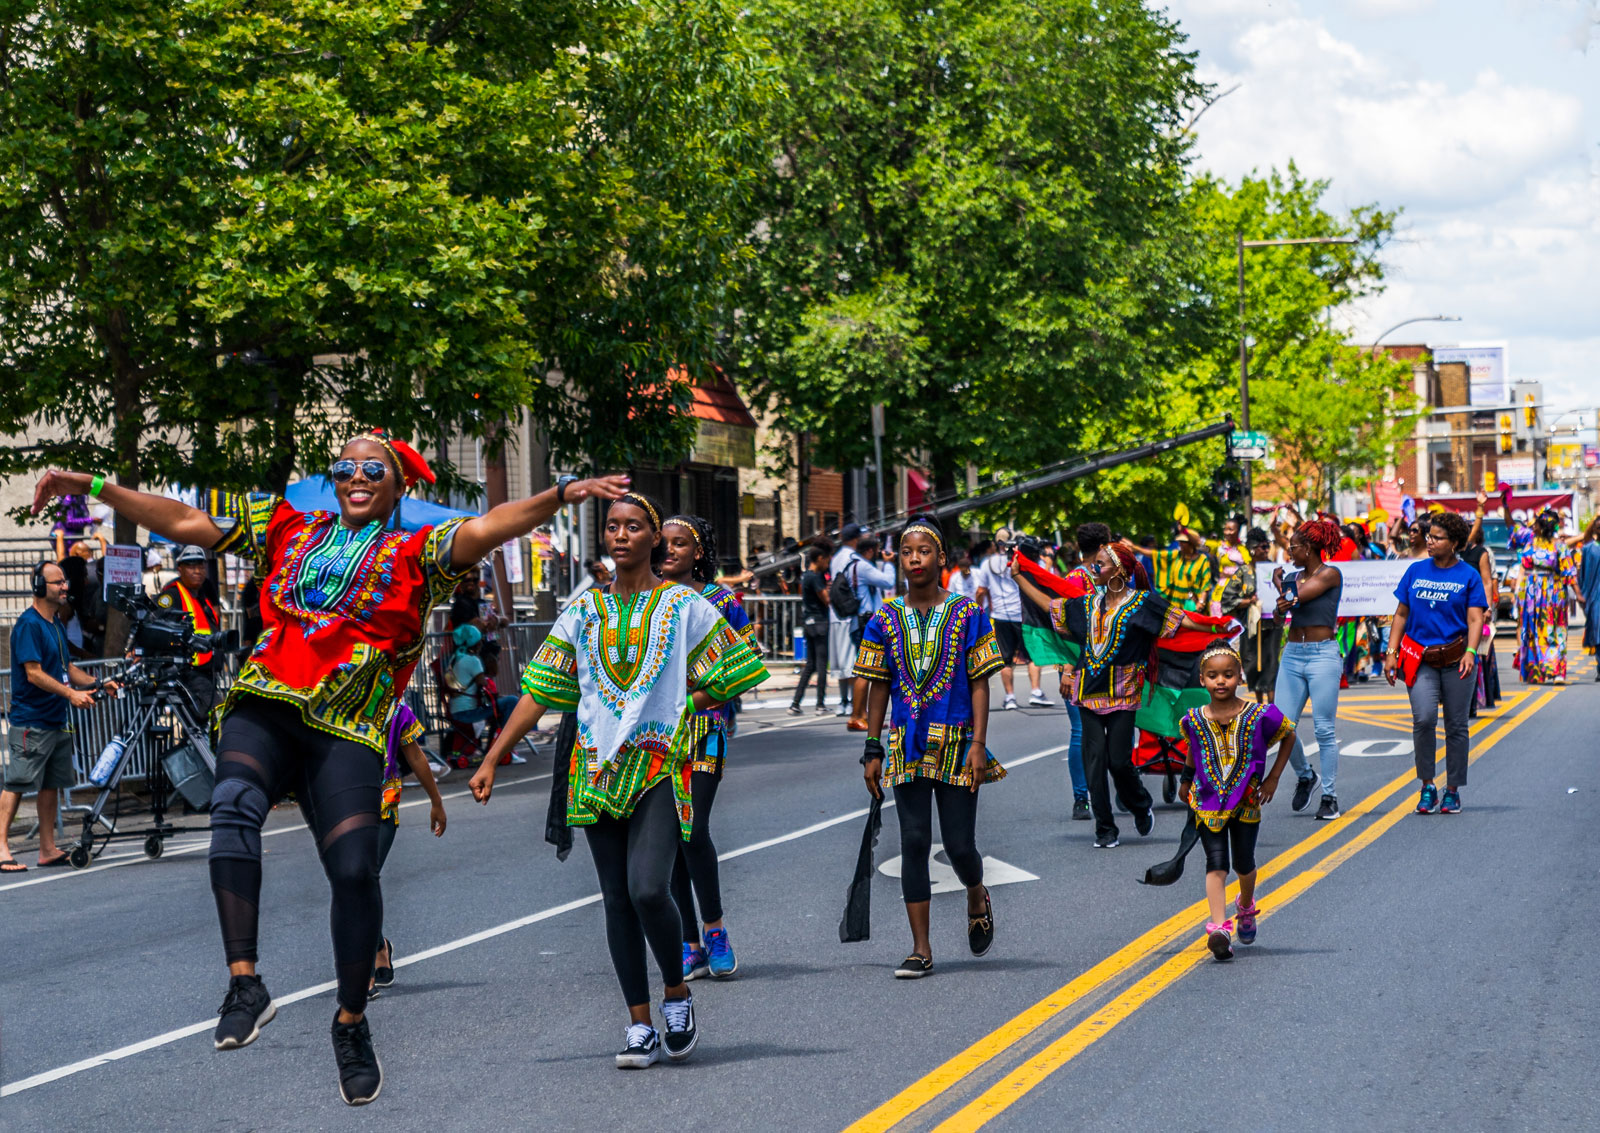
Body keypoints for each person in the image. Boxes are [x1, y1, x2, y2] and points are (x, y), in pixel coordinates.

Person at [32, 443, 625, 1105]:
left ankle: (350, 1022)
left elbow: (488, 526)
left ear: (397, 485)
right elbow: (184, 520)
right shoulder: (290, 527)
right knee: (230, 803)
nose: (356, 477)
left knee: (353, 871)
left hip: (348, 724)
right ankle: (245, 982)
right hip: (267, 697)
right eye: (344, 467)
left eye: (374, 468)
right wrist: (92, 481)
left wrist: (555, 497)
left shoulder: (416, 553)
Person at [470, 493, 767, 1068]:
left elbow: (735, 672)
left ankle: (677, 993)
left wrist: (679, 703)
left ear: (655, 539)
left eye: (635, 527)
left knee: (649, 889)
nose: (622, 535)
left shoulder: (685, 606)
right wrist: (492, 756)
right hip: (595, 766)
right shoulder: (582, 613)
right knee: (615, 900)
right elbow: (539, 693)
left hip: (657, 765)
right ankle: (638, 1024)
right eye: (613, 527)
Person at [857, 517, 1005, 978]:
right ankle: (921, 948)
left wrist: (980, 743)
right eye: (906, 552)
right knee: (915, 841)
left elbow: (980, 683)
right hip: (905, 745)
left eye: (924, 551)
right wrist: (872, 747)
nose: (915, 559)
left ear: (941, 558)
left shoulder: (968, 613)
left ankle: (976, 892)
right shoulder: (883, 617)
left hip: (959, 743)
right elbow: (878, 686)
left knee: (960, 847)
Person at [1014, 543, 1213, 849]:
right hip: (1087, 693)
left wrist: (1220, 627)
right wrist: (1019, 577)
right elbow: (1050, 606)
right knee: (1094, 762)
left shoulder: (1143, 604)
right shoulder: (1086, 605)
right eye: (1094, 564)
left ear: (1119, 570)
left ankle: (1139, 803)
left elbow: (1184, 621)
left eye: (1101, 565)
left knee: (1119, 761)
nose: (1094, 569)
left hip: (1123, 693)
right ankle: (1105, 828)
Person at [659, 514, 750, 981]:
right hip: (653, 738)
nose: (671, 550)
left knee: (692, 829)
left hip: (703, 730)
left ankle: (715, 930)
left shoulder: (721, 600)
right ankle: (687, 943)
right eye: (665, 543)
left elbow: (742, 666)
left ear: (698, 552)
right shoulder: (642, 597)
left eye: (681, 544)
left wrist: (690, 696)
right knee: (669, 839)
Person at [1177, 644, 1296, 962]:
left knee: (1244, 863)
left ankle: (1245, 905)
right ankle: (1219, 928)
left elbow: (1289, 735)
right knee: (1216, 863)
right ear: (1202, 679)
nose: (1220, 681)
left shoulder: (1259, 715)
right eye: (1213, 675)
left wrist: (1273, 778)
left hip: (1247, 800)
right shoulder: (1194, 719)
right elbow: (1194, 747)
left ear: (1239, 677)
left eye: (1228, 675)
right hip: (1207, 802)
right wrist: (1186, 779)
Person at [1, 562, 120, 872]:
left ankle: (47, 849)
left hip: (55, 720)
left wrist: (96, 683)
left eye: (65, 582)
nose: (65, 587)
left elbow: (67, 669)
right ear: (40, 587)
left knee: (50, 785)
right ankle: (1, 848)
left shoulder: (54, 624)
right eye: (58, 583)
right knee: (17, 782)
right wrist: (70, 695)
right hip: (31, 721)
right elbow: (34, 674)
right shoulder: (29, 625)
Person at [1386, 510, 1488, 815]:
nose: (1429, 541)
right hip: (1420, 659)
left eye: (1437, 537)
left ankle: (1453, 790)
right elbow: (1401, 614)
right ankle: (1428, 785)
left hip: (1457, 658)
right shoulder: (1415, 571)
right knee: (1424, 719)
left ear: (1454, 542)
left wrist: (1471, 652)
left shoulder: (1468, 575)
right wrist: (1391, 653)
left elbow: (1475, 618)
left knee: (1457, 726)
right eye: (1428, 536)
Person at [369, 701, 446, 998]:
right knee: (349, 879)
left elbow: (414, 754)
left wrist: (436, 802)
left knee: (365, 874)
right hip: (341, 804)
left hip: (382, 804)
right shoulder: (333, 694)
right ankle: (378, 946)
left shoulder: (392, 706)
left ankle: (363, 968)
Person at [1271, 518, 1345, 821]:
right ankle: (1305, 775)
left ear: (1310, 548)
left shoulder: (1330, 574)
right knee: (1279, 725)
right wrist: (1279, 607)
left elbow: (1294, 598)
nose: (1290, 552)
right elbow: (1280, 616)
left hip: (1322, 655)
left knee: (1324, 729)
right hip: (1293, 653)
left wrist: (1280, 587)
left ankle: (1330, 796)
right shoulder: (1292, 575)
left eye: (1294, 547)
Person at [1059, 523, 1111, 821]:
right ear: (1104, 544)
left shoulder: (1107, 576)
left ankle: (1088, 795)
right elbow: (1068, 626)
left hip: (1101, 663)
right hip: (1082, 664)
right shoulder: (1079, 580)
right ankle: (1083, 796)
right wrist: (1068, 669)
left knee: (1097, 731)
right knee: (1082, 730)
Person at [1504, 495, 1579, 684]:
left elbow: (1569, 573)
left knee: (1554, 631)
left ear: (1543, 526)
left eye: (1536, 523)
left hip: (1553, 593)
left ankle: (1557, 671)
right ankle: (1536, 672)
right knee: (1531, 631)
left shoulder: (1559, 547)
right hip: (1530, 594)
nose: (1532, 525)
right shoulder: (1529, 539)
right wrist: (1505, 505)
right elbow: (1512, 526)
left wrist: (1578, 594)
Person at [975, 529, 1047, 709]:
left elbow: (981, 591)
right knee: (1032, 655)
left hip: (999, 616)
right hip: (1023, 614)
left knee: (1006, 660)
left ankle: (1010, 697)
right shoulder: (1020, 560)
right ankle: (1036, 691)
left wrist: (979, 611)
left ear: (995, 543)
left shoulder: (987, 564)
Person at [155, 545, 223, 716]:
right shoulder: (171, 596)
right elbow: (158, 626)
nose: (197, 571)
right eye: (191, 566)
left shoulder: (203, 593)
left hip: (207, 671)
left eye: (201, 566)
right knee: (215, 715)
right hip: (189, 672)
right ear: (180, 569)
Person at [843, 535, 898, 730]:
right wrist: (889, 563)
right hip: (866, 622)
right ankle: (855, 716)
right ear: (869, 551)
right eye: (876, 551)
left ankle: (863, 715)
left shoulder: (853, 566)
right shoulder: (864, 567)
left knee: (867, 669)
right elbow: (888, 582)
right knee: (865, 671)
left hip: (859, 621)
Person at [828, 523, 867, 716]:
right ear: (855, 539)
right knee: (851, 662)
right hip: (849, 614)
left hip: (835, 613)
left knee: (838, 662)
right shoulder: (853, 558)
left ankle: (843, 701)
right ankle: (852, 701)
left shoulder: (835, 557)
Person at [1239, 529, 1281, 703]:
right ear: (1252, 549)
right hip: (1251, 624)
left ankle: (1271, 706)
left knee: (1271, 662)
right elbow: (1230, 599)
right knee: (1252, 662)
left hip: (1272, 623)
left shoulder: (1275, 570)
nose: (1265, 550)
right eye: (1262, 547)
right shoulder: (1243, 572)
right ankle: (1259, 703)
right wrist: (1249, 601)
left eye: (1267, 546)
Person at [790, 546, 832, 715]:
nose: (828, 563)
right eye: (827, 559)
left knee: (810, 665)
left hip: (809, 623)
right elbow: (826, 599)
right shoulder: (814, 578)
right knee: (821, 665)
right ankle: (820, 704)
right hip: (820, 623)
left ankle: (795, 702)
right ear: (820, 558)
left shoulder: (805, 576)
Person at [1149, 525, 1215, 611]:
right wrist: (1136, 549)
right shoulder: (1177, 555)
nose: (1180, 544)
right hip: (1176, 603)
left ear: (1191, 544)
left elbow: (1206, 584)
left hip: (1194, 605)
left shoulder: (1202, 560)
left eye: (1183, 542)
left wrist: (1201, 602)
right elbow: (1157, 555)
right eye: (1179, 541)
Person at [1207, 515, 1249, 617]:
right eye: (1225, 529)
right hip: (1220, 589)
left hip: (1237, 590)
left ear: (1238, 531)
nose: (1227, 532)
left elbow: (1249, 567)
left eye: (1230, 529)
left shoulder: (1243, 550)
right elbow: (1201, 542)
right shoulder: (1220, 546)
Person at [1578, 515, 1600, 681]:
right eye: (1597, 527)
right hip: (1595, 597)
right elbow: (1583, 575)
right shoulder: (1588, 549)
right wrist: (1582, 595)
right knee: (1597, 633)